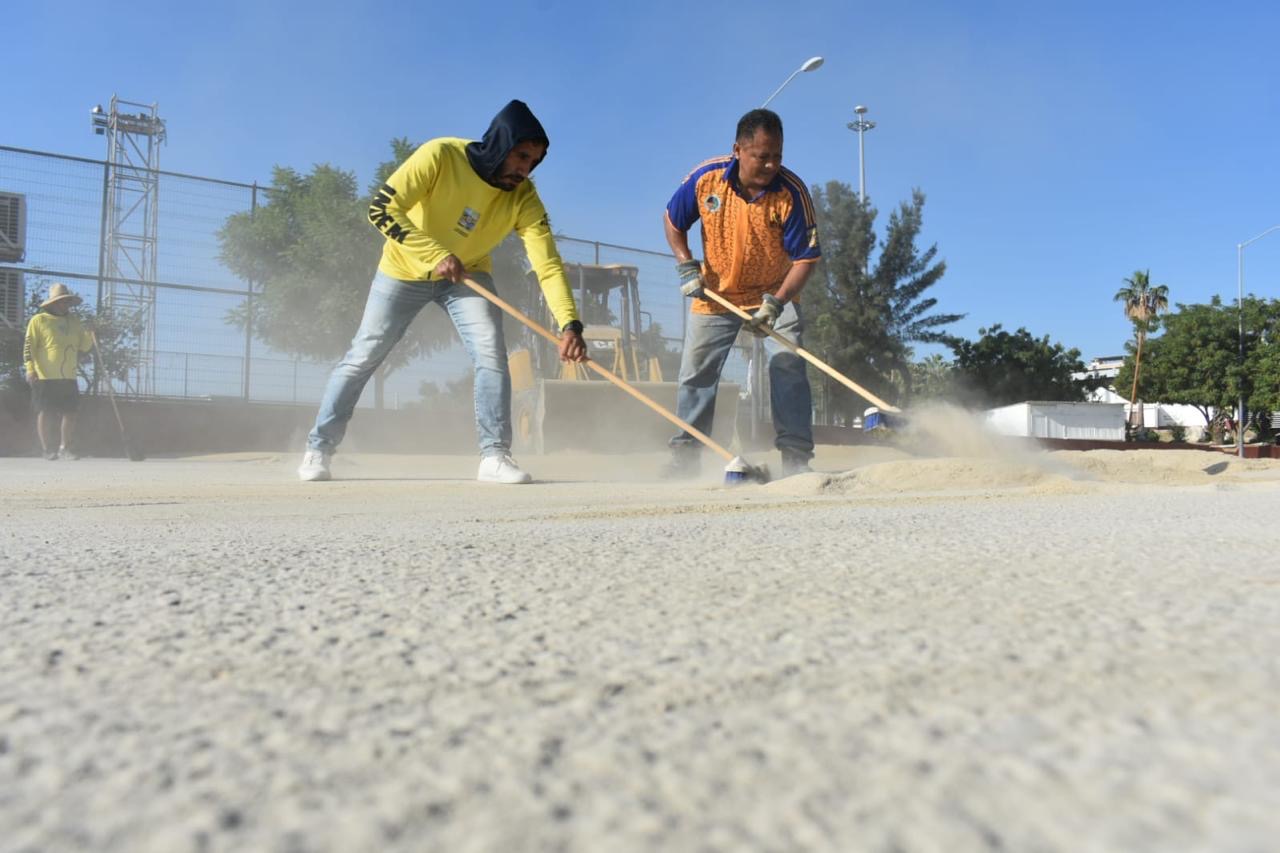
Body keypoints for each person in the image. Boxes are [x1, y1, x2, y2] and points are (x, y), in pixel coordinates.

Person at [299, 100, 588, 484]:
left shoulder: (524, 198)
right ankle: (318, 450)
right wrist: (435, 253)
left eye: (533, 162)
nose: (525, 169)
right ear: (500, 144)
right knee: (364, 354)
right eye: (520, 156)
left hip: (467, 274)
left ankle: (495, 456)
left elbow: (547, 265)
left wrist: (570, 324)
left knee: (491, 353)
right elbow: (382, 209)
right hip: (403, 269)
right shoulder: (440, 155)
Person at [661, 108, 821, 478]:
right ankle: (685, 456)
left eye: (777, 156)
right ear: (738, 149)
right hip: (716, 292)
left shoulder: (792, 193)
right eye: (762, 156)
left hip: (775, 293)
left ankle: (796, 458)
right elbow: (672, 221)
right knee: (696, 373)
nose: (770, 165)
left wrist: (777, 302)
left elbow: (806, 259)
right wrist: (686, 263)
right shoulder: (706, 180)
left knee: (789, 365)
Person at [23, 282, 93, 460]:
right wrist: (30, 369)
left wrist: (90, 334)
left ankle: (65, 448)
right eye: (62, 301)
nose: (66, 305)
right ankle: (47, 449)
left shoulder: (75, 322)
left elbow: (84, 347)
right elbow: (29, 346)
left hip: (68, 375)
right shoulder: (38, 320)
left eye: (68, 301)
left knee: (71, 412)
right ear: (53, 302)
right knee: (45, 411)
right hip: (44, 375)